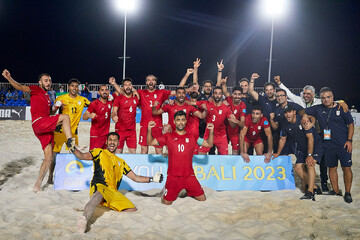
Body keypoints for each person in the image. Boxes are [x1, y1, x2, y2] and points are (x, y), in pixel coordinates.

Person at [72, 132, 163, 233]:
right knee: (97, 195)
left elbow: (135, 178)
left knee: (132, 210)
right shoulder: (99, 152)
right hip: (100, 186)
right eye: (110, 139)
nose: (112, 142)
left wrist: (152, 179)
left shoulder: (121, 162)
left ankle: (104, 205)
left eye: (115, 140)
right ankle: (83, 220)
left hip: (113, 192)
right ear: (106, 142)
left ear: (118, 143)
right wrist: (72, 148)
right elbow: (81, 156)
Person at [2, 69, 75, 192]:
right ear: (40, 82)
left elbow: (50, 113)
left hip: (44, 127)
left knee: (49, 157)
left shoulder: (47, 96)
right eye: (46, 80)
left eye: (50, 81)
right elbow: (19, 87)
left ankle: (38, 184)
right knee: (65, 117)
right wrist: (9, 78)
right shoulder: (36, 89)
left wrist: (55, 107)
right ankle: (71, 143)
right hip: (39, 123)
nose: (48, 82)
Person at [147, 111, 214, 205]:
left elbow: (208, 144)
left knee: (202, 199)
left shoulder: (193, 137)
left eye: (183, 120)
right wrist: (149, 129)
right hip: (173, 177)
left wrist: (211, 132)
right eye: (178, 120)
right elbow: (150, 142)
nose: (181, 122)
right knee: (166, 202)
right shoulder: (168, 136)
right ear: (174, 122)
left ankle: (186, 191)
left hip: (189, 176)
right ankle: (167, 188)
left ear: (186, 121)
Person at [302, 87, 354, 203]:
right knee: (332, 168)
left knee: (346, 168)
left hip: (343, 145)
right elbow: (302, 111)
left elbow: (350, 124)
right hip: (327, 145)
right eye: (323, 98)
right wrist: (306, 118)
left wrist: (349, 140)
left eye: (328, 97)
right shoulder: (318, 109)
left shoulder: (342, 108)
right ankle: (335, 191)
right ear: (320, 99)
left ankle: (348, 193)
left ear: (333, 97)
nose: (326, 100)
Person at [272, 106, 323, 200]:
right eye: (286, 113)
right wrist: (277, 153)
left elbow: (310, 139)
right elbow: (283, 139)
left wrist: (310, 155)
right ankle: (315, 187)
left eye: (289, 112)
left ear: (294, 112)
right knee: (298, 167)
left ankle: (310, 192)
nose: (287, 114)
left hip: (314, 146)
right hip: (302, 148)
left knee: (310, 165)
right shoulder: (286, 124)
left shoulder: (303, 121)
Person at [49, 78, 91, 184]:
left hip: (73, 132)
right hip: (59, 131)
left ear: (78, 88)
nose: (74, 88)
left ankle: (73, 177)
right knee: (54, 155)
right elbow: (52, 113)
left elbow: (94, 106)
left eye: (76, 86)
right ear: (69, 87)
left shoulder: (83, 100)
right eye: (72, 86)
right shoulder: (61, 98)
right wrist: (55, 106)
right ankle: (50, 177)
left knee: (75, 154)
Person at [137, 75, 174, 154]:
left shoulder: (161, 92)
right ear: (146, 82)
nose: (151, 81)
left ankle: (159, 166)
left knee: (159, 150)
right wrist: (133, 90)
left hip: (157, 125)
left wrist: (190, 89)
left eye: (153, 80)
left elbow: (177, 92)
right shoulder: (141, 92)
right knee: (144, 150)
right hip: (144, 125)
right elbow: (129, 95)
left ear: (155, 82)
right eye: (149, 80)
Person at [198, 86, 238, 155]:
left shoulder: (226, 108)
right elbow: (191, 103)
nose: (217, 95)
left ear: (222, 95)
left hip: (221, 136)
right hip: (208, 134)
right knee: (201, 153)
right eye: (216, 93)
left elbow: (233, 125)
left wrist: (234, 121)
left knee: (224, 157)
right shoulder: (207, 104)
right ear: (213, 94)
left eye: (219, 93)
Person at [83, 82, 118, 150]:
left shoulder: (110, 101)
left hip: (106, 136)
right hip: (96, 135)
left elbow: (120, 91)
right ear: (99, 92)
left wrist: (114, 83)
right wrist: (89, 115)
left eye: (106, 90)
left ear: (108, 92)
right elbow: (84, 117)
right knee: (95, 156)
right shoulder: (94, 104)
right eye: (102, 90)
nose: (104, 91)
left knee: (104, 156)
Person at [111, 77, 139, 154]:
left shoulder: (136, 98)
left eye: (129, 85)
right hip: (120, 130)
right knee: (118, 153)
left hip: (132, 131)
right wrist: (114, 117)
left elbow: (144, 105)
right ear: (123, 87)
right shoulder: (118, 98)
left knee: (133, 153)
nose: (128, 86)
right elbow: (114, 112)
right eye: (125, 85)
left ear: (132, 87)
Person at [220, 77, 246, 155]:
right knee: (222, 152)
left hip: (235, 132)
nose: (237, 96)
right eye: (235, 94)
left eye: (239, 94)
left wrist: (236, 121)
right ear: (232, 94)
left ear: (241, 95)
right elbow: (225, 91)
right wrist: (224, 83)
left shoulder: (243, 106)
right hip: (224, 130)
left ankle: (234, 166)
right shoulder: (228, 99)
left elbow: (242, 124)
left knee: (235, 153)